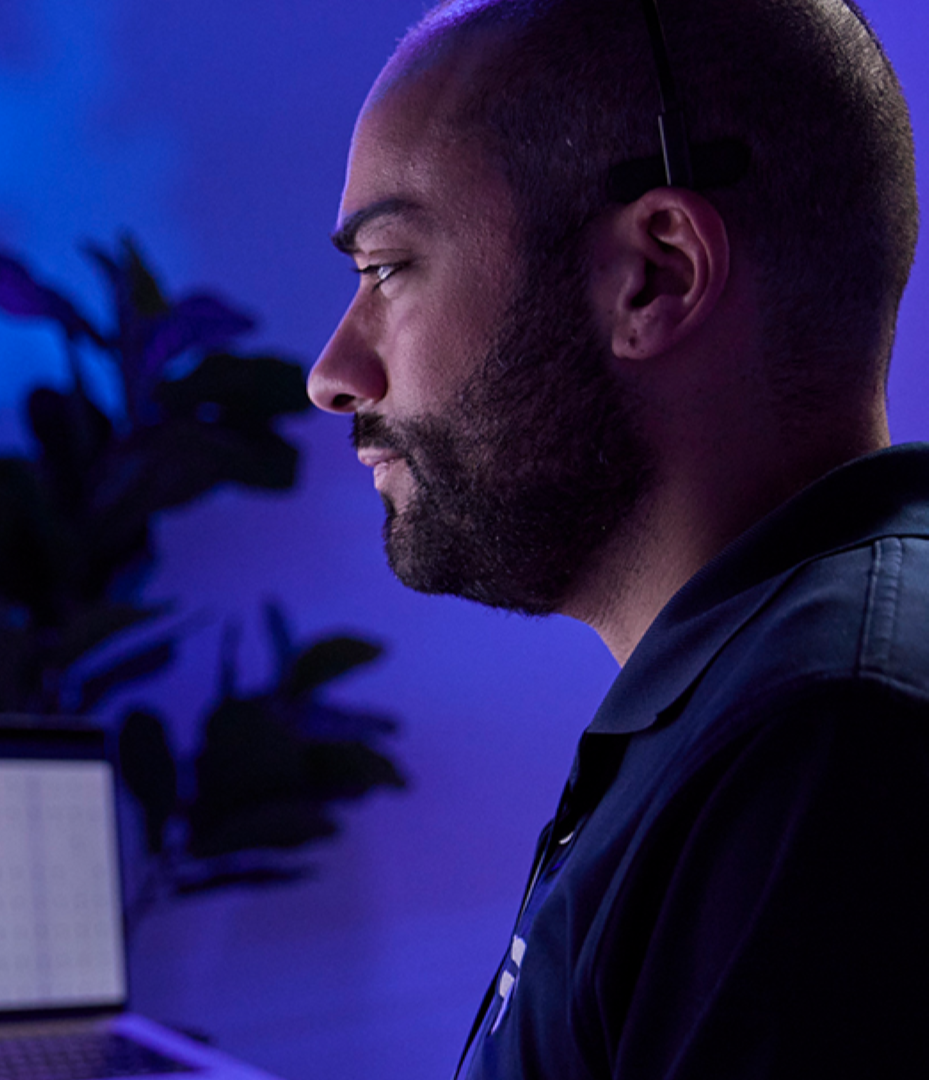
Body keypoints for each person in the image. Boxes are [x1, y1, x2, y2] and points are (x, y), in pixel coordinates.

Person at [305, 0, 929, 1076]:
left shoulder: (827, 747)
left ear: (656, 275)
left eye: (388, 269)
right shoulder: (743, 699)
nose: (333, 374)